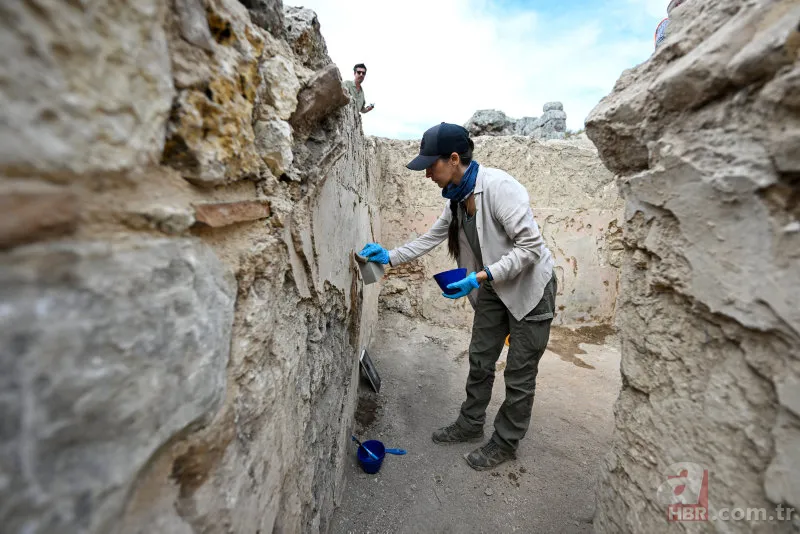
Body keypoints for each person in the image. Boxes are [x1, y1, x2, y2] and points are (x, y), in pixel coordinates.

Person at [358, 123, 556, 470]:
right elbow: (428, 239)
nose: (426, 175)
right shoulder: (455, 200)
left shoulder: (499, 188)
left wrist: (480, 276)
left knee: (519, 373)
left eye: (430, 167)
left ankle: (506, 442)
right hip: (494, 285)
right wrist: (388, 256)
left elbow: (531, 248)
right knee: (481, 358)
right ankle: (470, 423)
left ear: (453, 160)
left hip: (529, 289)